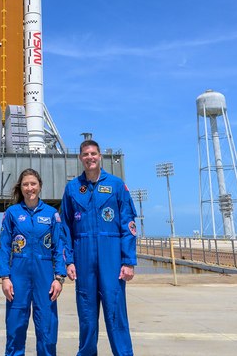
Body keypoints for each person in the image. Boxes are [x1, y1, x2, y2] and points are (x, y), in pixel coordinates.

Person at [60, 139, 138, 356]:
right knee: (86, 315)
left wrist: (128, 261)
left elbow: (128, 224)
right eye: (85, 154)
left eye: (93, 153)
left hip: (111, 257)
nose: (90, 158)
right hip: (84, 258)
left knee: (116, 313)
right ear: (80, 158)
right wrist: (69, 260)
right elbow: (65, 227)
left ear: (100, 155)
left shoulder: (115, 185)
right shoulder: (73, 188)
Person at [0, 168, 68, 356]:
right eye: (26, 184)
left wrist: (59, 278)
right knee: (15, 328)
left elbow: (59, 246)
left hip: (44, 277)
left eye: (33, 184)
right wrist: (4, 277)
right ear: (20, 187)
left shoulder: (52, 214)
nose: (30, 188)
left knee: (47, 329)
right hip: (18, 276)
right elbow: (4, 247)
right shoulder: (12, 213)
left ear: (40, 186)